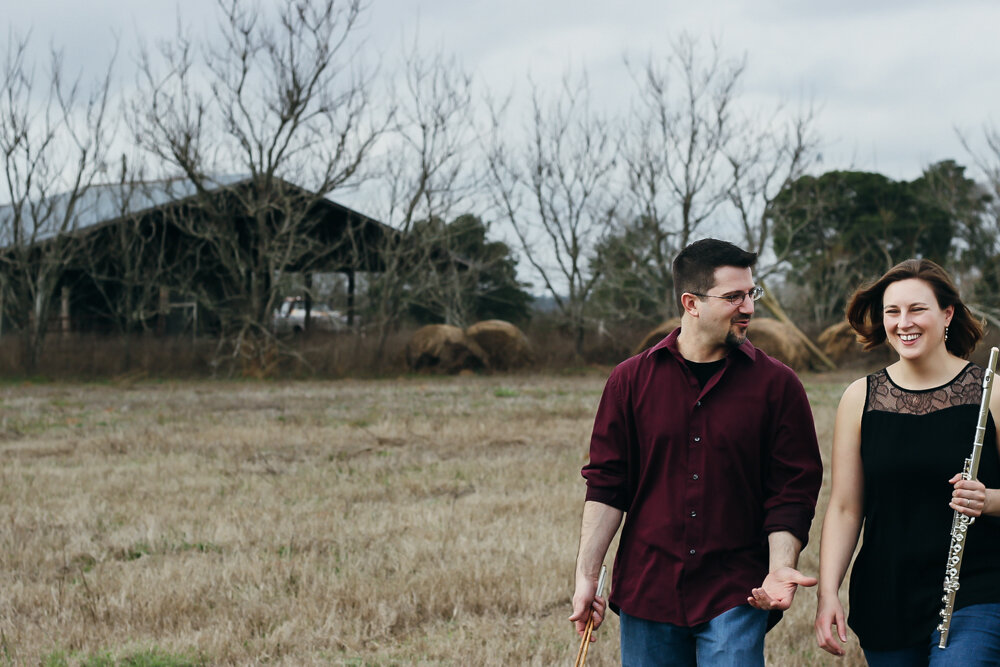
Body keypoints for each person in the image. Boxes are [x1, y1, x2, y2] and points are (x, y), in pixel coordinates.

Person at [570, 238, 823, 666]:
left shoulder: (779, 386)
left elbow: (792, 492)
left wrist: (780, 566)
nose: (749, 308)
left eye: (752, 293)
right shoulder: (629, 381)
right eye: (733, 297)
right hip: (648, 590)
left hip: (736, 591)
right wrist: (587, 578)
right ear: (691, 303)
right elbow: (607, 487)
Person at [815, 258, 1000, 665]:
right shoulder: (859, 398)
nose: (904, 323)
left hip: (978, 589)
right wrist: (828, 592)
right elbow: (845, 508)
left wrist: (988, 500)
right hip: (888, 594)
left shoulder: (993, 393)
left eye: (917, 309)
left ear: (947, 313)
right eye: (892, 311)